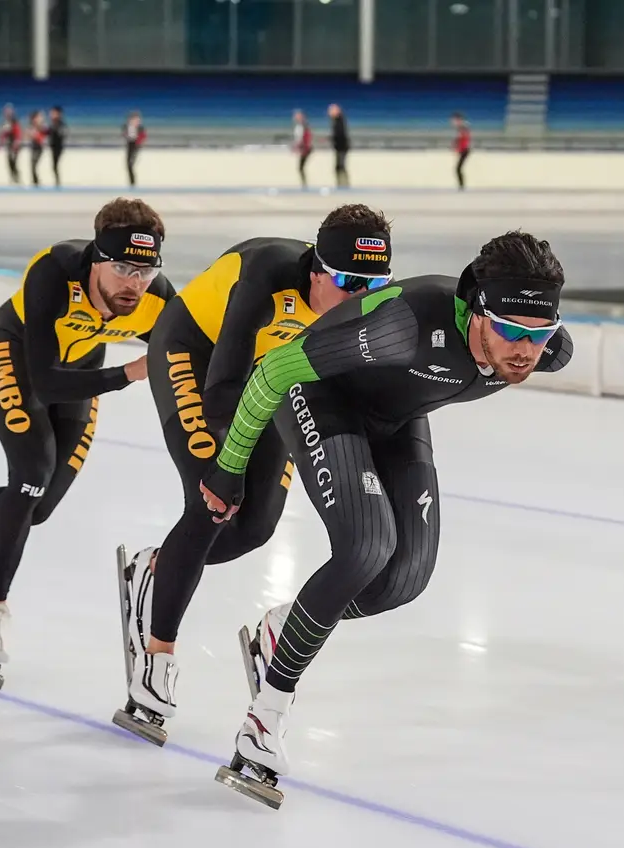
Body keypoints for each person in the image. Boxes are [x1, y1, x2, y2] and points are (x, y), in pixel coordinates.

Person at [202, 230, 575, 806]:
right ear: (477, 310)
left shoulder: (547, 347)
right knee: (365, 547)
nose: (526, 349)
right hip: (320, 395)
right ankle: (264, 720)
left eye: (539, 332)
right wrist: (229, 468)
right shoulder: (404, 325)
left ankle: (283, 631)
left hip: (401, 417)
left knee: (404, 580)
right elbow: (274, 369)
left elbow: (528, 338)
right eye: (510, 331)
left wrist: (528, 334)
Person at [111, 203, 395, 744]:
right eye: (349, 282)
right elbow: (220, 394)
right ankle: (156, 657)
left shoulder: (367, 305)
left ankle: (157, 569)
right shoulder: (266, 275)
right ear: (315, 270)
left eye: (375, 285)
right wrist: (229, 465)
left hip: (269, 377)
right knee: (213, 499)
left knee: (258, 526)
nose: (362, 299)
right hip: (196, 353)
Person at [0, 198, 176, 690]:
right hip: (20, 355)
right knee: (30, 478)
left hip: (85, 368)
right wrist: (131, 373)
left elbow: (190, 360)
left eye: (145, 270)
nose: (133, 283)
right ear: (96, 258)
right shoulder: (55, 271)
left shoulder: (158, 298)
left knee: (41, 506)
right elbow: (47, 384)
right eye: (121, 267)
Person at [328, 103, 350, 188]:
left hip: (342, 147)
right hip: (339, 146)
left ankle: (344, 185)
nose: (329, 113)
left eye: (331, 111)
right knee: (339, 166)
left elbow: (340, 134)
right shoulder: (336, 120)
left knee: (340, 166)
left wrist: (332, 139)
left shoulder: (339, 120)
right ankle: (341, 184)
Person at [0, 104, 22, 185]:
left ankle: (17, 177)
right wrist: (0, 143)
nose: (7, 113)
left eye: (9, 112)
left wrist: (17, 142)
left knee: (14, 162)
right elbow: (3, 134)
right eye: (6, 112)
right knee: (9, 161)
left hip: (15, 145)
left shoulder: (14, 121)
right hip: (9, 145)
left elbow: (18, 132)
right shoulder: (5, 122)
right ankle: (12, 177)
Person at [123, 111, 147, 187]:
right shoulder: (126, 126)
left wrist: (139, 142)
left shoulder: (140, 127)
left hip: (136, 146)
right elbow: (125, 134)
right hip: (130, 145)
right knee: (128, 164)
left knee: (131, 163)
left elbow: (143, 136)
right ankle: (131, 182)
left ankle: (133, 183)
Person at [292, 109, 313, 188]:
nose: (295, 117)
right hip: (303, 148)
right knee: (300, 168)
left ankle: (304, 184)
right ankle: (304, 184)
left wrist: (304, 147)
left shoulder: (303, 126)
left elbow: (306, 137)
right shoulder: (299, 126)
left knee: (301, 167)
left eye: (297, 116)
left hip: (305, 149)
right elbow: (298, 138)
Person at [451, 112, 471, 190]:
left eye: (454, 120)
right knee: (458, 168)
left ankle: (462, 186)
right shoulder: (461, 127)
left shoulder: (462, 127)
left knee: (458, 168)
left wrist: (457, 147)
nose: (453, 122)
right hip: (463, 150)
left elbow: (463, 138)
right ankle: (461, 185)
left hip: (465, 150)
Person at [49, 106, 67, 187]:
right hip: (53, 147)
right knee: (54, 166)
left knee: (55, 166)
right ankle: (57, 182)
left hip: (58, 148)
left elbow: (62, 134)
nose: (52, 115)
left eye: (54, 113)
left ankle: (58, 182)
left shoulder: (60, 124)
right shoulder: (53, 124)